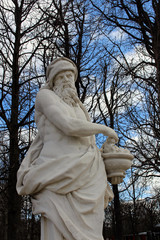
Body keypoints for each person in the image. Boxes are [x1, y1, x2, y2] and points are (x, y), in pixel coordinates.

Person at [16, 57, 118, 240]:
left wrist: (105, 153)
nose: (65, 80)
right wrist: (105, 129)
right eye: (60, 76)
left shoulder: (79, 106)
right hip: (56, 173)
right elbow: (67, 125)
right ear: (52, 81)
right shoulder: (45, 97)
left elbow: (88, 140)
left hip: (87, 174)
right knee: (58, 231)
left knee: (93, 232)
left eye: (69, 76)